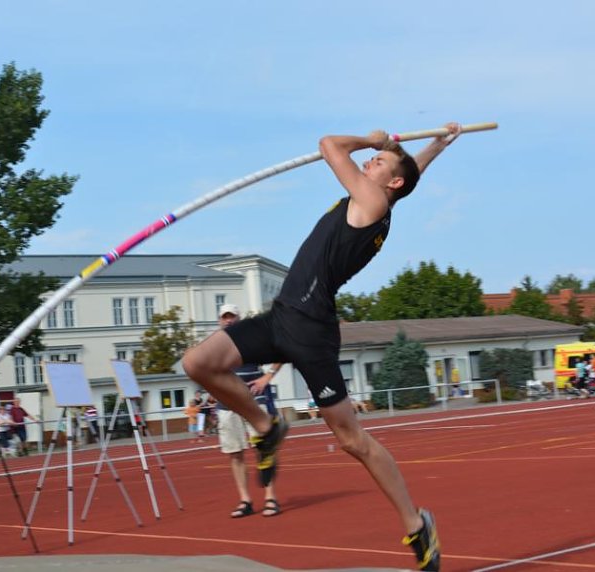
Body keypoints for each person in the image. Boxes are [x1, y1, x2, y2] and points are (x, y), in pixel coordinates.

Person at [182, 124, 463, 571]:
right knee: (198, 363)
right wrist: (435, 147)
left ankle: (416, 523)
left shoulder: (371, 202)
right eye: (373, 158)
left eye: (377, 163)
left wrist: (371, 141)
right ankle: (265, 425)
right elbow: (409, 175)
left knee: (352, 440)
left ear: (390, 183)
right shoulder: (382, 197)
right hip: (282, 318)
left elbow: (330, 146)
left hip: (311, 330)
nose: (370, 162)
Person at [214, 304, 283, 518]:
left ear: (239, 318)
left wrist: (268, 376)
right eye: (225, 317)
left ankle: (270, 497)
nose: (228, 320)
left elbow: (281, 351)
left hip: (254, 401)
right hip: (227, 405)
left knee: (263, 449)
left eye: (232, 316)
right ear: (220, 320)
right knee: (235, 453)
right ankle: (245, 500)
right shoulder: (214, 344)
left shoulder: (252, 339)